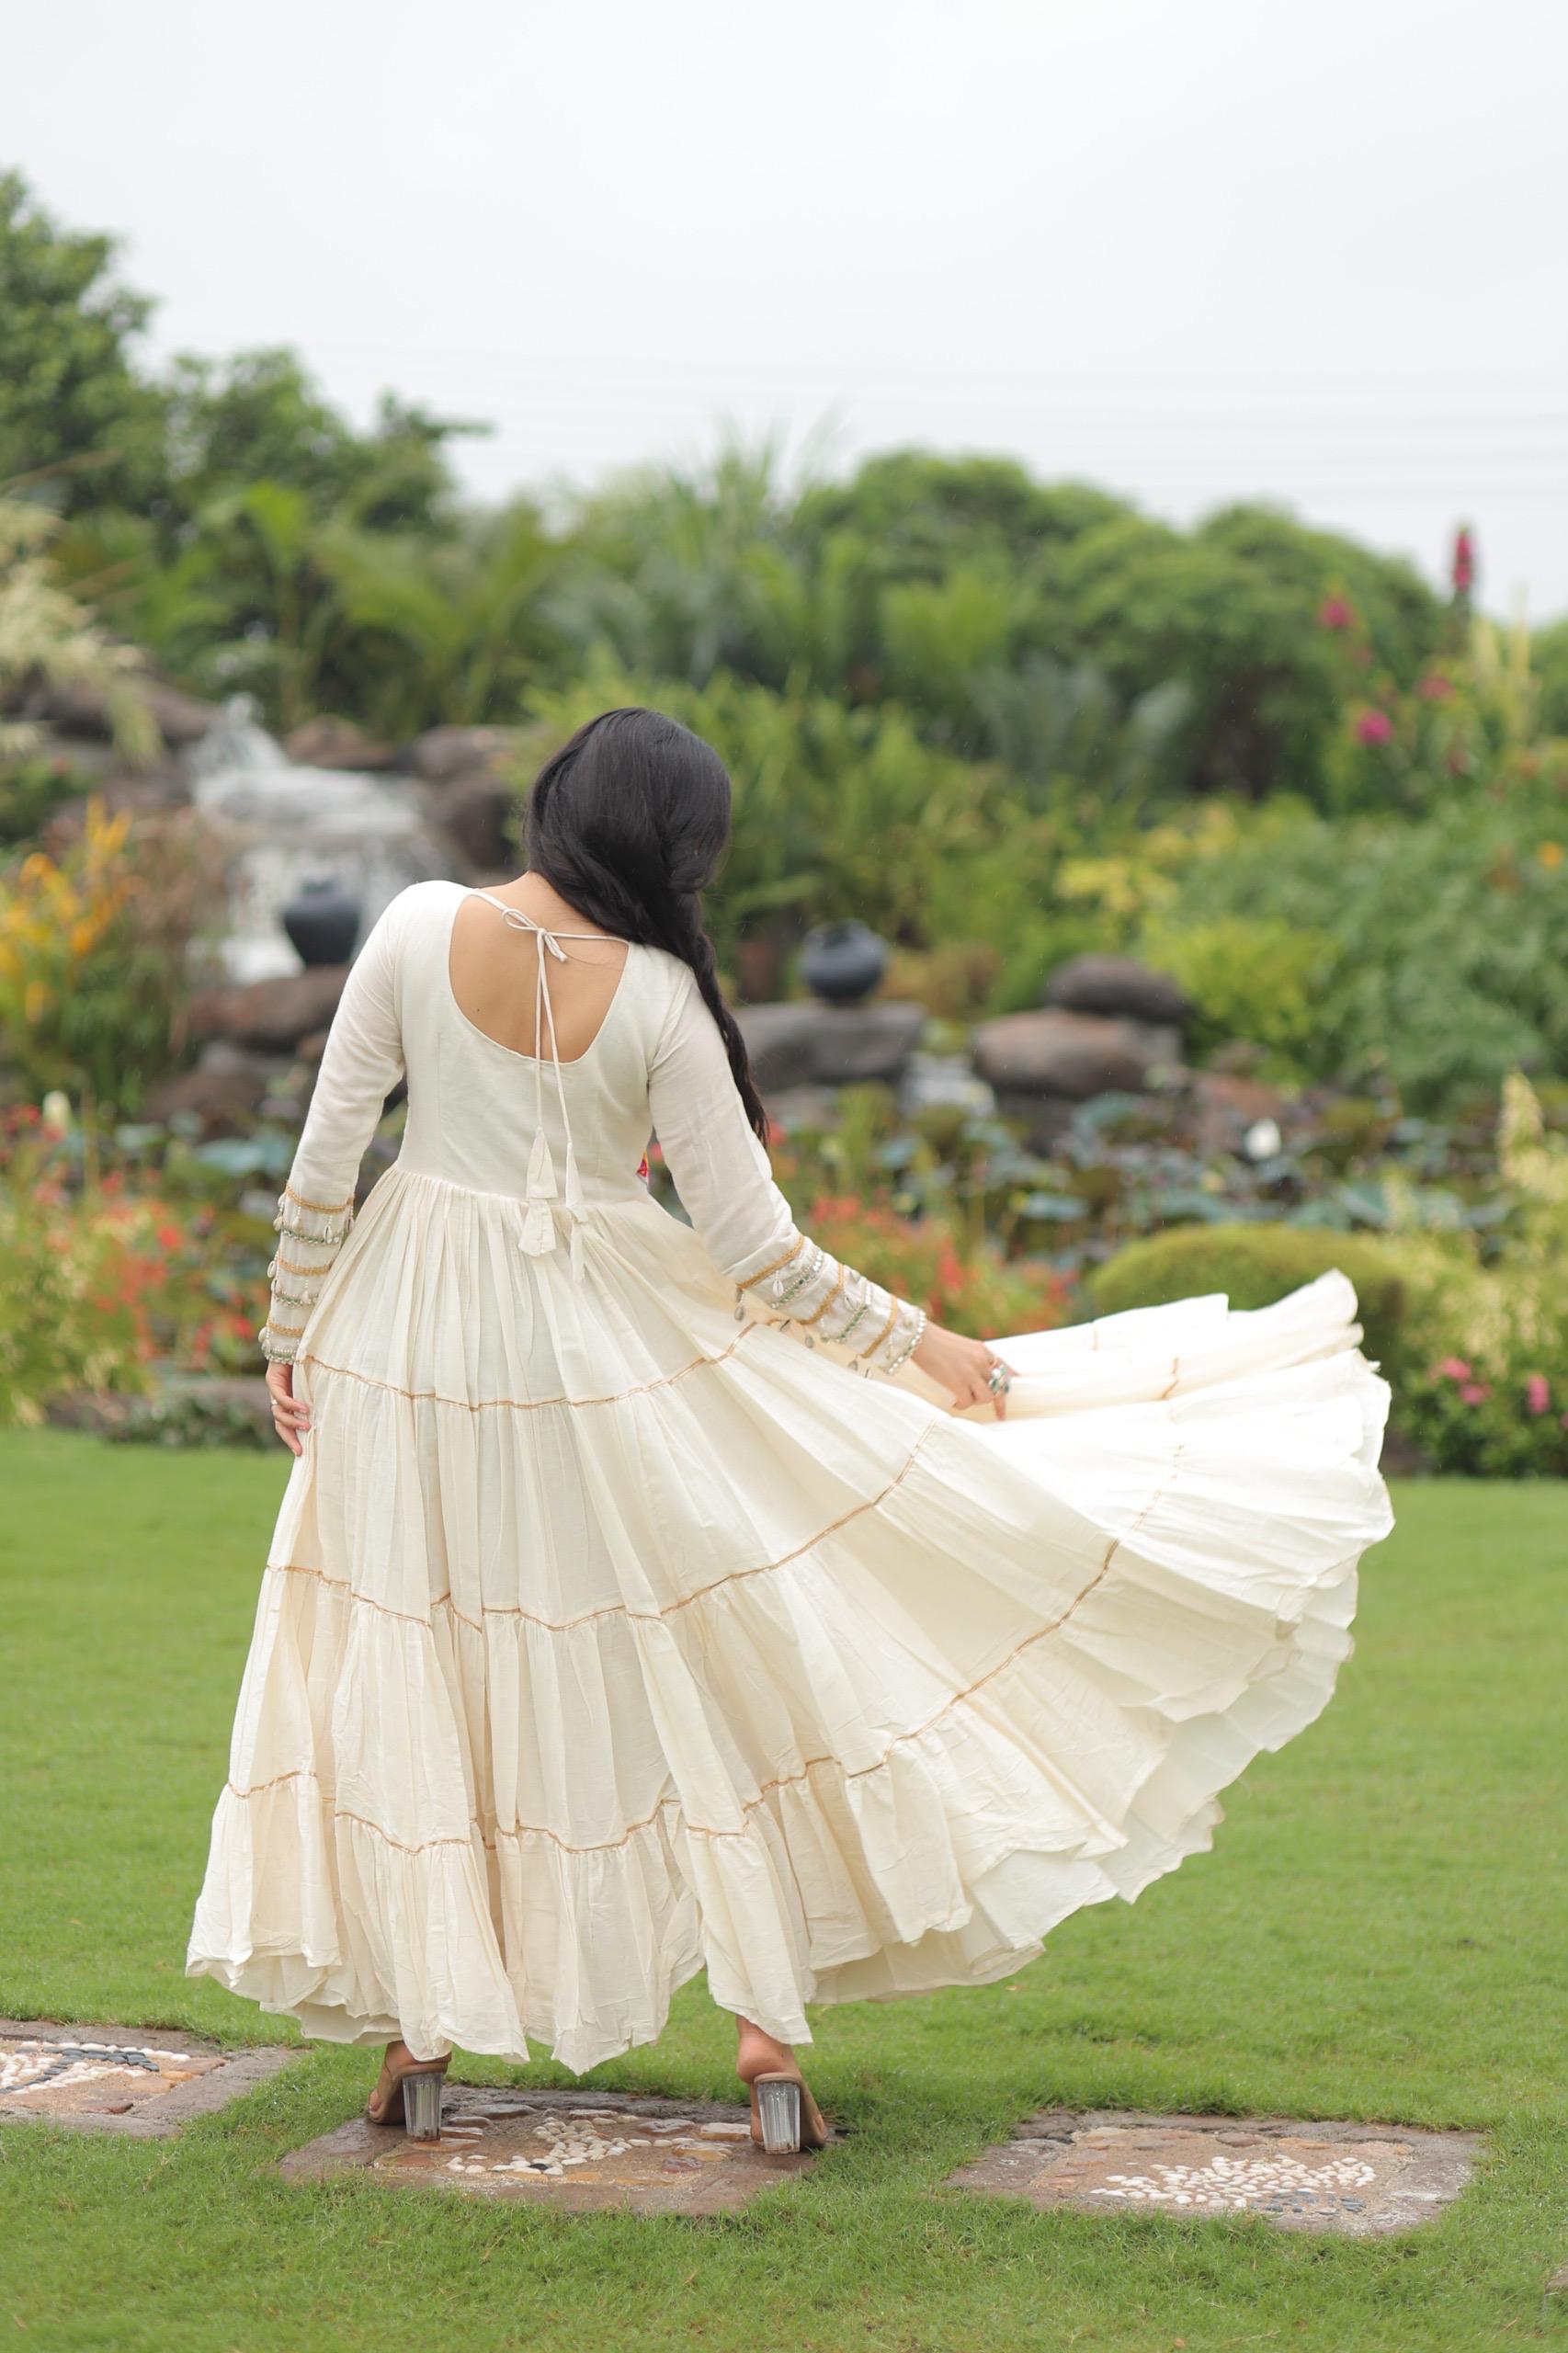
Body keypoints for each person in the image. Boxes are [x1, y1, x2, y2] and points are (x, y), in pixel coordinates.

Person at [187, 707, 1392, 2154]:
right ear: (677, 852)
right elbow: (760, 1257)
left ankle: (418, 2036)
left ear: (561, 804)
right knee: (694, 1665)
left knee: (419, 1656)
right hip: (601, 1358)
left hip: (404, 1341)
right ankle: (762, 2032)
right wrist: (925, 1345)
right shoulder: (661, 1001)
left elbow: (327, 1158)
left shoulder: (409, 928)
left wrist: (286, 1331)